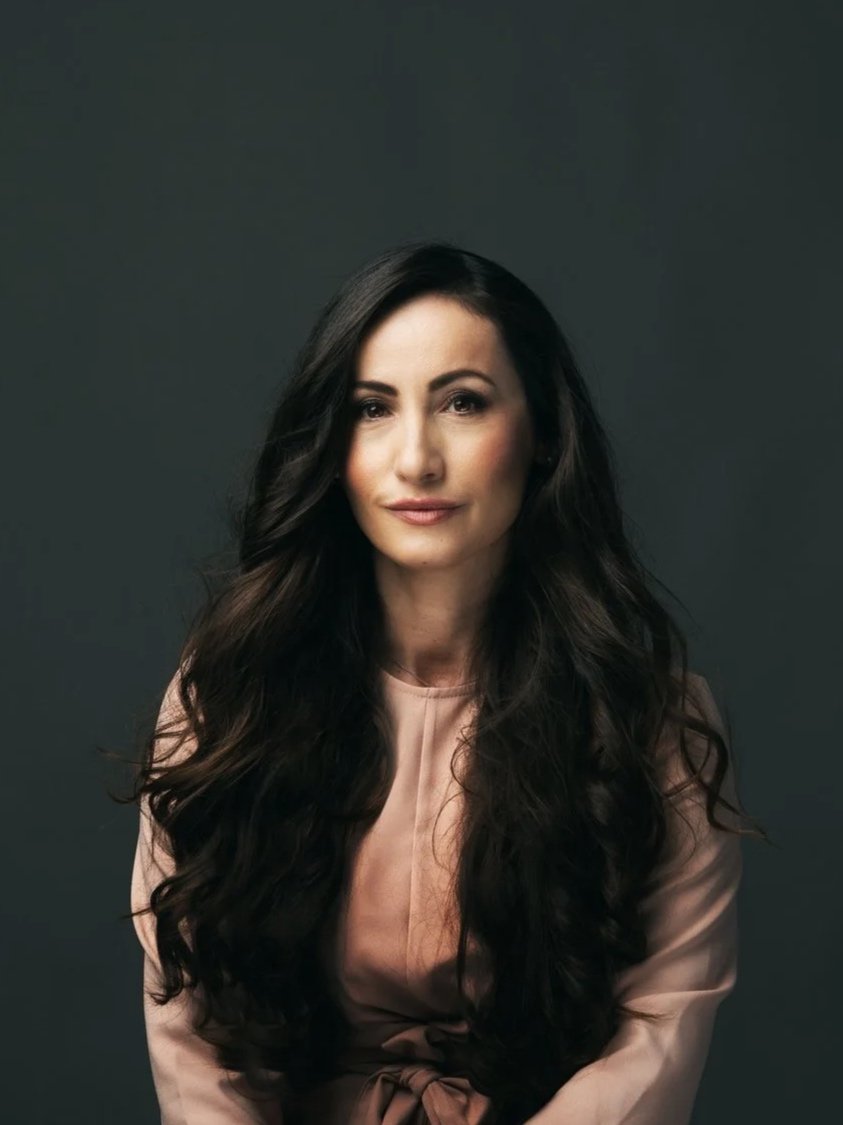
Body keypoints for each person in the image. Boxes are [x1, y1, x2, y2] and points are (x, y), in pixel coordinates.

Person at [127, 239, 763, 1124]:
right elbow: (191, 1030)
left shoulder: (647, 717)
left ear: (540, 434)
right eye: (372, 409)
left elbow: (658, 1034)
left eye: (462, 402)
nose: (416, 458)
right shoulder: (231, 695)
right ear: (331, 444)